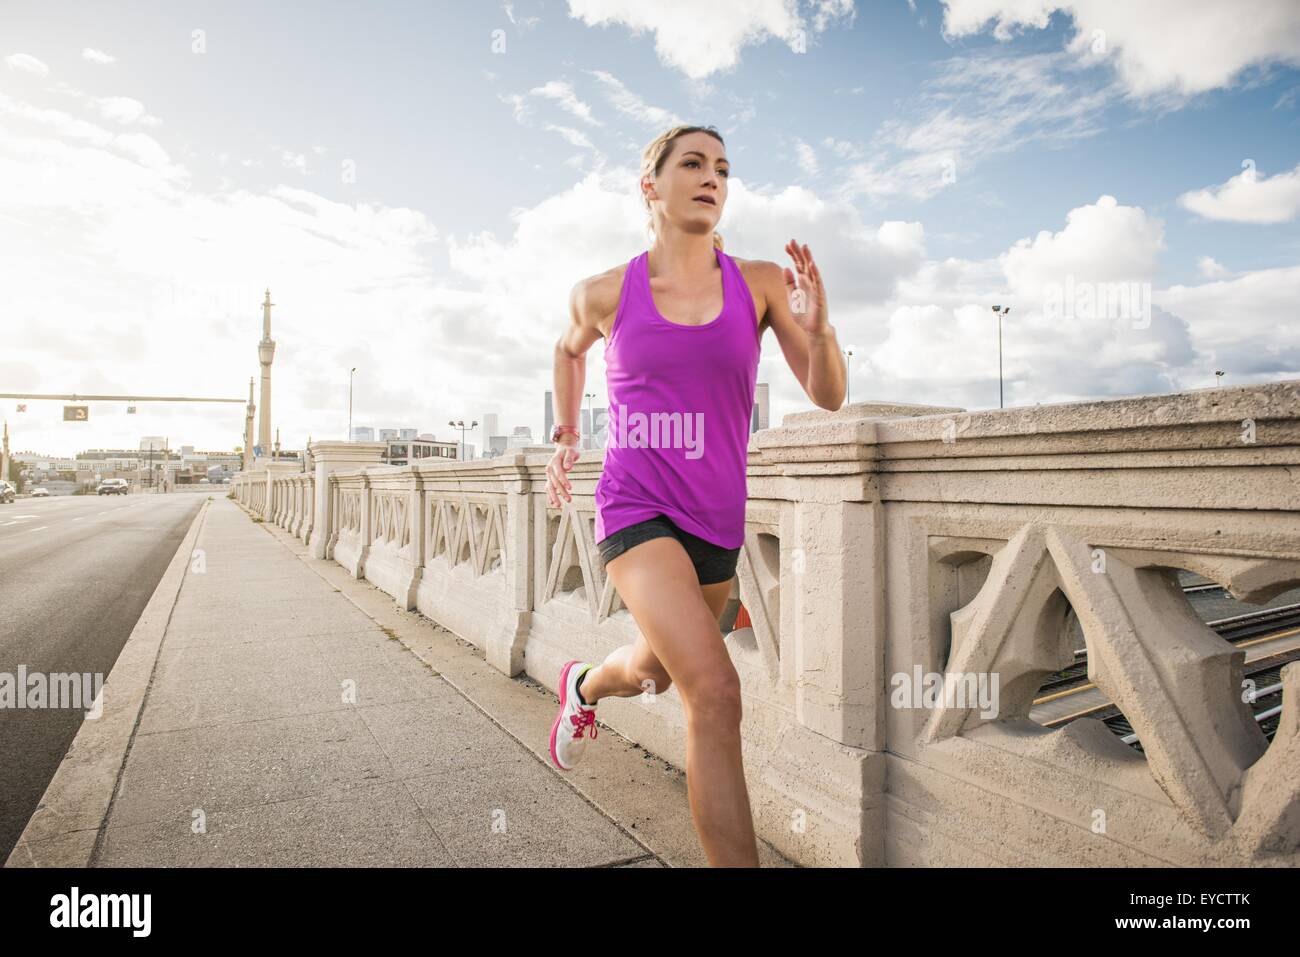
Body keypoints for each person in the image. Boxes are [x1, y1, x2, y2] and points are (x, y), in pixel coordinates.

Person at [546, 124, 845, 867]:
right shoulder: (606, 290)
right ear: (650, 186)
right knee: (713, 690)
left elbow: (830, 396)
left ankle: (582, 684)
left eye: (722, 167)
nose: (712, 176)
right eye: (693, 163)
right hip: (634, 505)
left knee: (651, 668)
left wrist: (822, 329)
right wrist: (563, 435)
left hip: (715, 519)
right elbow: (566, 347)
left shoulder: (763, 283)